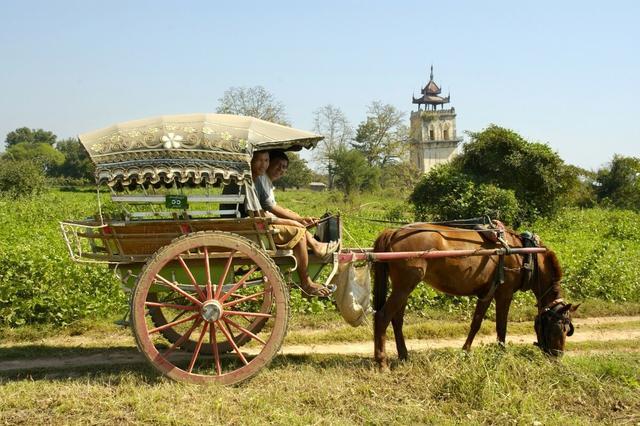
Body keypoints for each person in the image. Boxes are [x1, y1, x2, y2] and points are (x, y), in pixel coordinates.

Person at [225, 151, 335, 297]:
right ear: (249, 162)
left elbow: (262, 212)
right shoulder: (247, 181)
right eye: (259, 161)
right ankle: (306, 282)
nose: (263, 165)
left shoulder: (252, 180)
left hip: (247, 224)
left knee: (297, 226)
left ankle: (314, 247)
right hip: (245, 227)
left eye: (266, 160)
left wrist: (295, 220)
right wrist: (294, 222)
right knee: (299, 233)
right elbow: (260, 215)